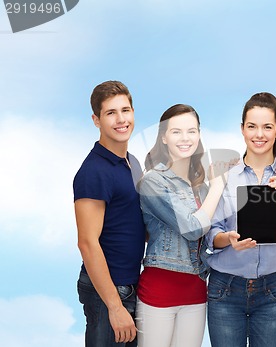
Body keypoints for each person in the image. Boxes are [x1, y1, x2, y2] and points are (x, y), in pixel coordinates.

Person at [205, 92, 276, 347]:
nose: (259, 134)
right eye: (252, 126)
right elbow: (211, 234)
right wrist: (228, 239)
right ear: (242, 129)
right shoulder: (225, 176)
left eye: (267, 127)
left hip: (273, 291)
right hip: (225, 289)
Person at [135, 104, 232, 347]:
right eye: (176, 131)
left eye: (192, 131)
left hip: (196, 292)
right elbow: (192, 228)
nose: (185, 138)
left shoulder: (200, 185)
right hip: (159, 291)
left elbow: (211, 232)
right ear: (164, 137)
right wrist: (218, 186)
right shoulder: (153, 181)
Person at [74, 80, 146, 346]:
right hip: (107, 293)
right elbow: (87, 243)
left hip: (131, 286)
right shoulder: (94, 171)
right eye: (110, 113)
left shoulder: (133, 162)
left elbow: (138, 224)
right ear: (96, 120)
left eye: (125, 110)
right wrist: (115, 307)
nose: (120, 119)